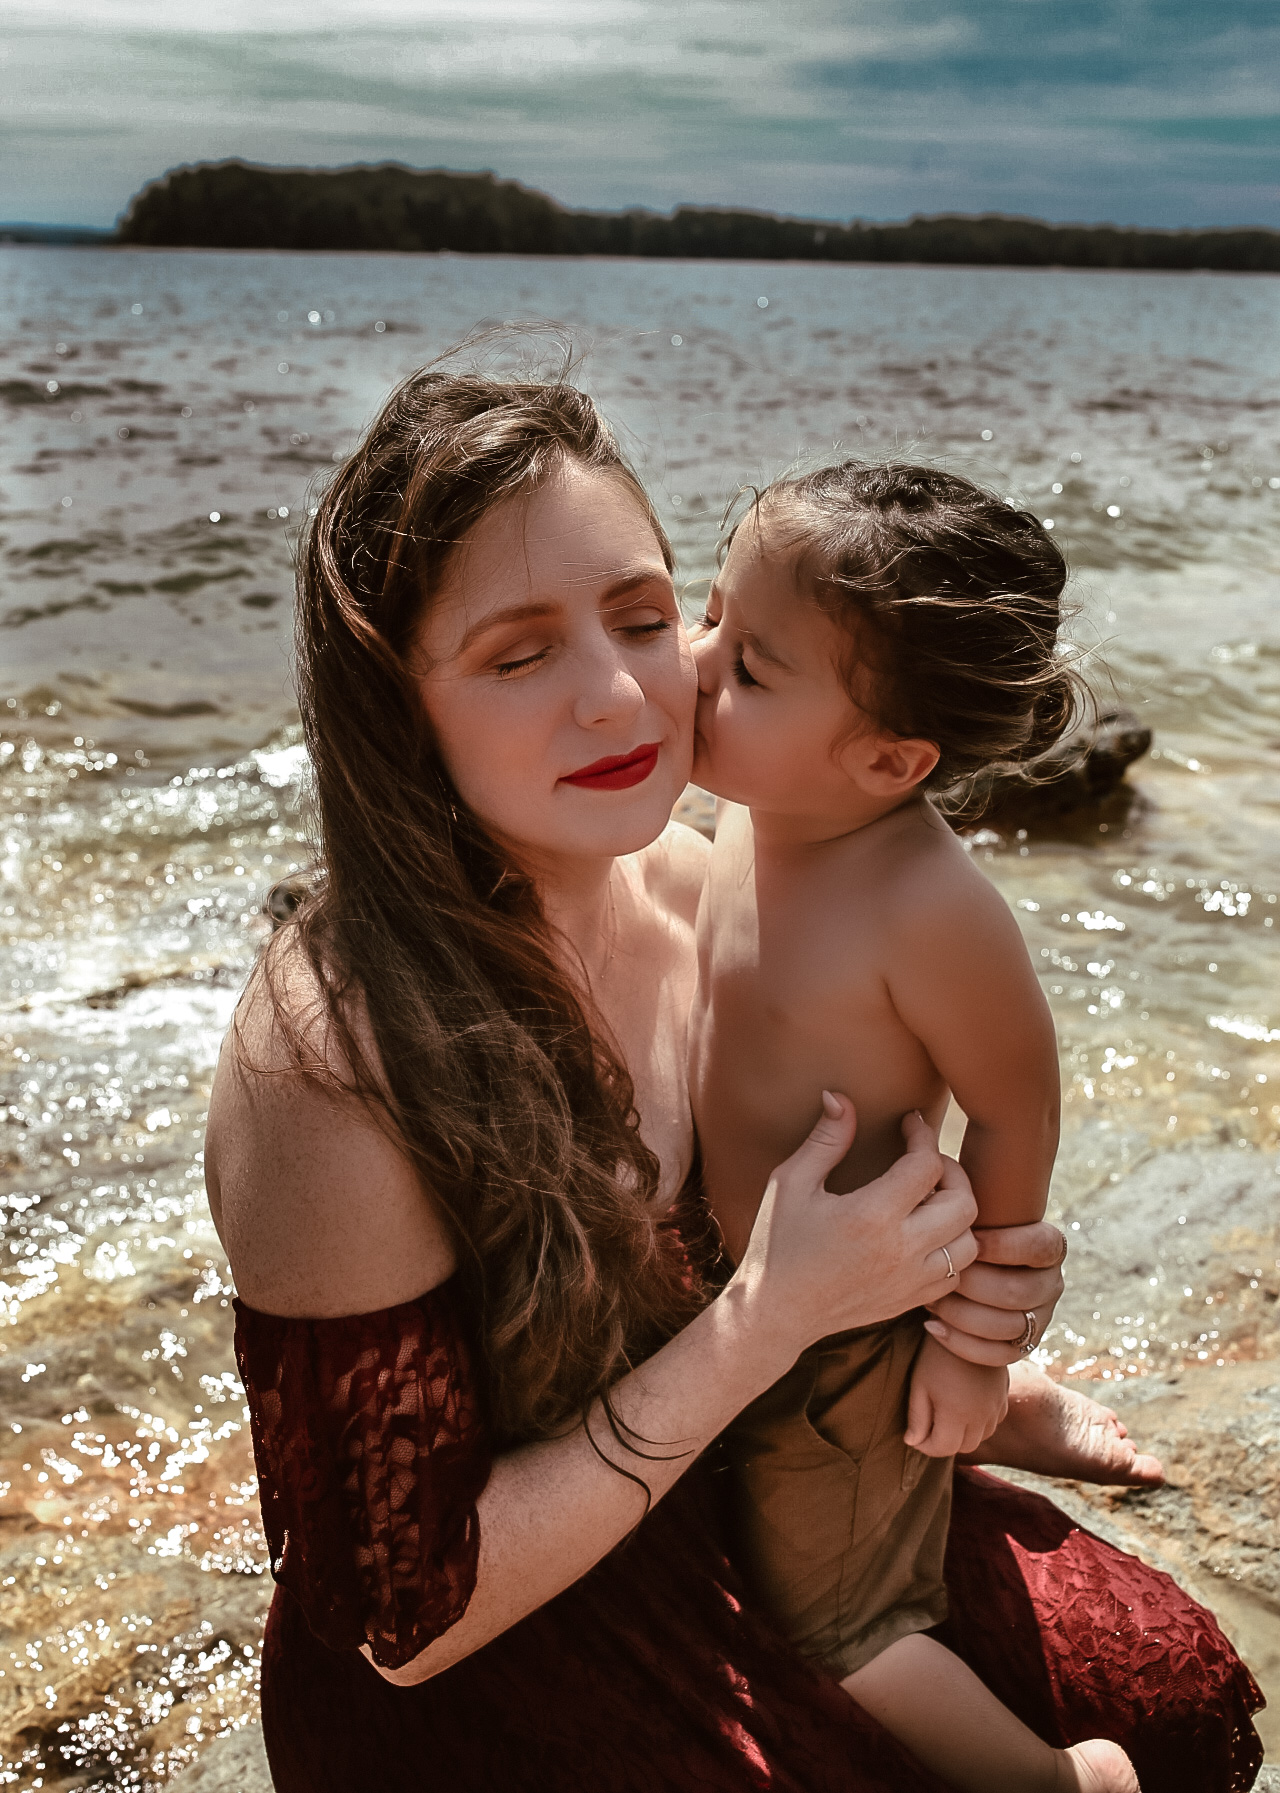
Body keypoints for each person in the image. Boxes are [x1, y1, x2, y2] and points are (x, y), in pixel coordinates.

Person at [204, 364, 1265, 1793]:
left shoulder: (708, 883)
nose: (623, 692)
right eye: (520, 654)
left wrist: (964, 1299)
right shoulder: (331, 1062)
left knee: (1176, 1690)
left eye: (646, 618)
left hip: (735, 1475)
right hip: (488, 1653)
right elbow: (403, 1621)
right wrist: (773, 1318)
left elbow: (892, 1149)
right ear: (398, 704)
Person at [689, 463, 1134, 1791]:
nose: (695, 664)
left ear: (888, 760)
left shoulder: (927, 907)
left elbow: (1015, 1110)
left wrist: (974, 1350)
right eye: (706, 616)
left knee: (838, 1628)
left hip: (858, 1334)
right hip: (747, 1289)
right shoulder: (755, 804)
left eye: (751, 667)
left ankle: (1071, 1780)